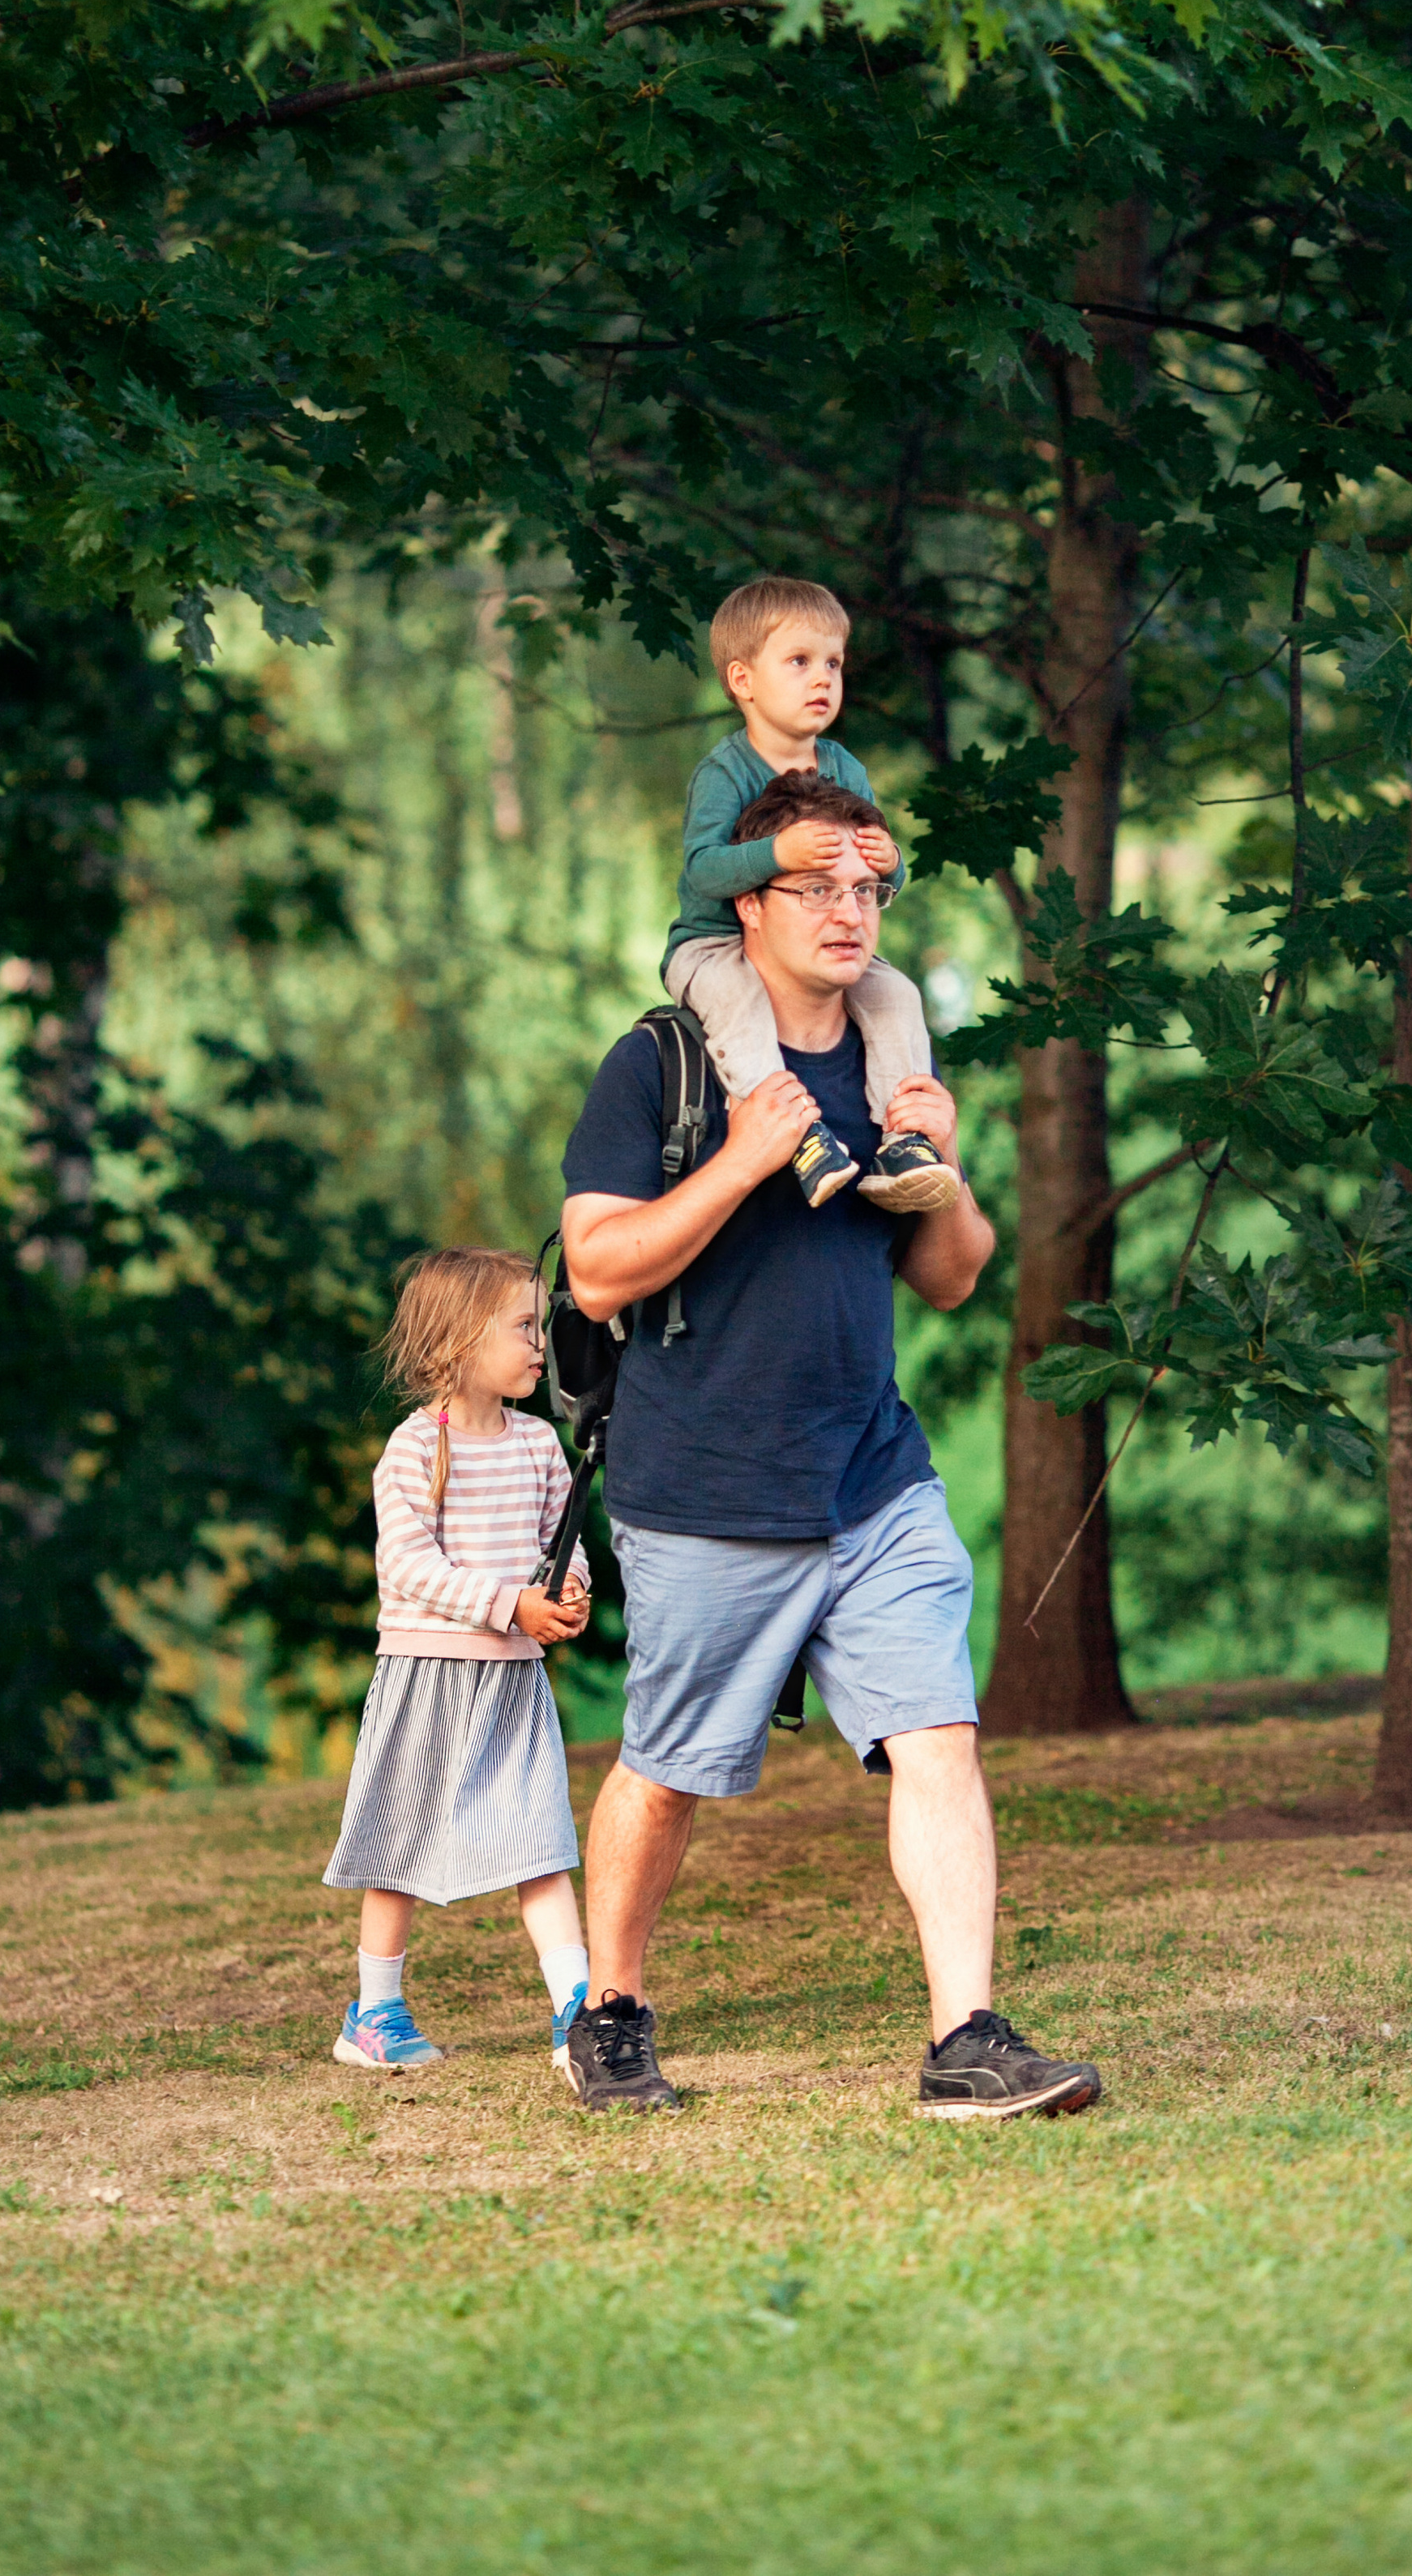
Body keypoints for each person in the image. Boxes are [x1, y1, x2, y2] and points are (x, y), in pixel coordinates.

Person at [556, 779, 1103, 2121]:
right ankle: (609, 2009)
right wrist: (743, 1161)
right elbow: (593, 1273)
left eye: (869, 887)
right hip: (705, 1496)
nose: (850, 912)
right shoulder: (663, 1064)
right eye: (817, 887)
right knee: (668, 1770)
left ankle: (966, 2039)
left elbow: (953, 1277)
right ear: (749, 902)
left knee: (939, 1740)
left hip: (873, 1480)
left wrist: (947, 1172)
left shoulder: (887, 1064)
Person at [324, 1247, 595, 2072]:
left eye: (538, 1325)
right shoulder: (413, 1449)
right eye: (521, 1327)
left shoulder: (542, 1446)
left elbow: (565, 1546)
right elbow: (406, 1569)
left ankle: (576, 2007)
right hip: (427, 1678)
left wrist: (569, 1590)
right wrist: (508, 1604)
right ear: (455, 1344)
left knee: (540, 1841)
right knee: (399, 1844)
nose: (539, 1344)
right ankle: (374, 2015)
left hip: (513, 1679)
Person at [664, 574, 959, 1215]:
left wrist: (892, 863)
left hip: (814, 943)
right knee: (740, 1007)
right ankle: (797, 1135)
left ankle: (904, 1140)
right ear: (743, 681)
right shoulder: (725, 772)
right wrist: (780, 854)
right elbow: (704, 873)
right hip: (714, 947)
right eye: (799, 662)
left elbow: (873, 875)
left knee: (896, 995)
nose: (822, 679)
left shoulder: (845, 767)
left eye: (833, 663)